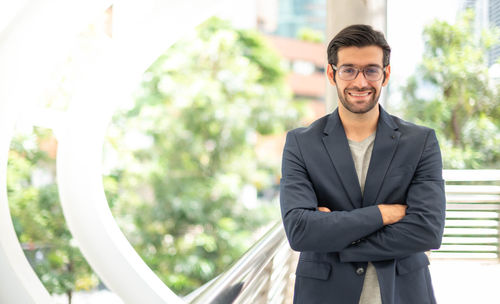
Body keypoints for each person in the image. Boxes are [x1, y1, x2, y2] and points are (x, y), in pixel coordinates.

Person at [279, 24, 446, 304]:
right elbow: (300, 231)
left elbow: (427, 229)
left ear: (386, 74)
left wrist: (336, 237)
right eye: (348, 70)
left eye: (371, 70)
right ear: (332, 74)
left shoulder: (420, 141)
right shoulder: (301, 143)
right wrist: (383, 213)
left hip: (403, 292)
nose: (360, 82)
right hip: (325, 295)